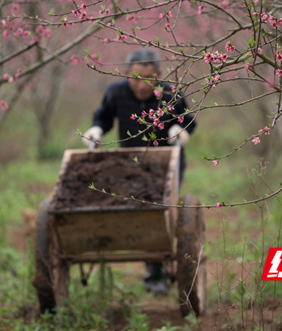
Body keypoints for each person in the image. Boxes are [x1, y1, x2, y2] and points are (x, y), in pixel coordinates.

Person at [82, 48, 196, 294]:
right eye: (136, 78)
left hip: (167, 161)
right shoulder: (116, 93)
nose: (142, 85)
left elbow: (188, 120)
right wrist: (96, 130)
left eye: (149, 78)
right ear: (126, 74)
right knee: (138, 206)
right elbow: (103, 117)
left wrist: (179, 129)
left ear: (159, 74)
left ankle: (156, 272)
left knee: (158, 208)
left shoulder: (170, 94)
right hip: (132, 161)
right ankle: (153, 267)